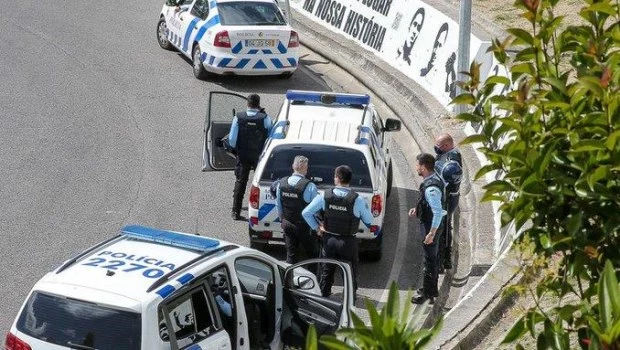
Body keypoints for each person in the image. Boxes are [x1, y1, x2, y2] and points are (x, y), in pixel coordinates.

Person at [302, 165, 373, 298]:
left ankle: (324, 298)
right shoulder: (357, 200)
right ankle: (350, 301)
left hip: (329, 241)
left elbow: (306, 212)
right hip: (348, 243)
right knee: (349, 273)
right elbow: (369, 221)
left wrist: (317, 228)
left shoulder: (325, 196)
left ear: (337, 178)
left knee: (326, 272)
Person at [228, 93, 273, 220]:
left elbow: (232, 140)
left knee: (240, 182)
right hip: (260, 156)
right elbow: (271, 136)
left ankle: (235, 212)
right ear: (258, 104)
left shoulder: (238, 117)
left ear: (247, 104)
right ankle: (263, 211)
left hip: (243, 155)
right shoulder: (265, 118)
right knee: (261, 183)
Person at [409, 153, 446, 304]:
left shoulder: (431, 188)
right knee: (431, 259)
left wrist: (431, 233)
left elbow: (437, 211)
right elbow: (429, 204)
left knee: (429, 261)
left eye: (417, 165)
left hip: (431, 228)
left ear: (423, 167)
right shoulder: (433, 178)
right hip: (432, 225)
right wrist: (417, 209)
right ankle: (429, 290)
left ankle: (428, 294)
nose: (416, 167)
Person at [275, 155, 319, 264]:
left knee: (291, 256)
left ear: (292, 166)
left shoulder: (281, 184)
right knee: (312, 256)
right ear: (305, 169)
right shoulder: (310, 186)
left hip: (288, 224)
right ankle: (312, 278)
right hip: (305, 227)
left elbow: (278, 206)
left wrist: (282, 220)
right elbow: (316, 211)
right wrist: (318, 226)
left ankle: (289, 279)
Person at [434, 133, 463, 273]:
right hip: (443, 196)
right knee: (443, 226)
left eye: (438, 145)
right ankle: (442, 257)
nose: (436, 148)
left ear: (446, 146)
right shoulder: (445, 155)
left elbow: (450, 178)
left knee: (444, 227)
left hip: (448, 198)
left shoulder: (453, 160)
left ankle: (444, 258)